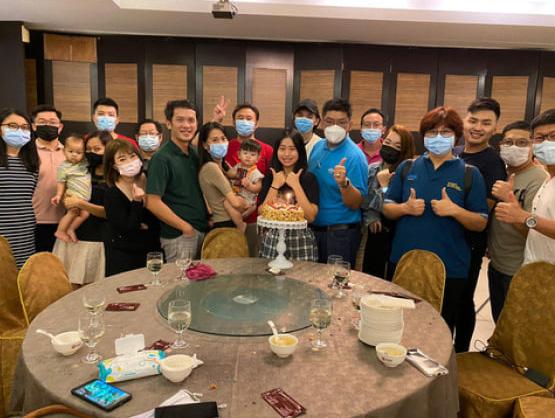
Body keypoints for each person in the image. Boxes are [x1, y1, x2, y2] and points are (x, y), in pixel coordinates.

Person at [383, 106, 488, 342]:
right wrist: (405, 208)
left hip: (449, 267)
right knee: (397, 326)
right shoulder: (408, 167)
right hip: (404, 262)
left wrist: (455, 211)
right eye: (432, 132)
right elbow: (387, 207)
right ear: (423, 136)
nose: (438, 137)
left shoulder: (470, 174)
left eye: (445, 132)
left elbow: (480, 222)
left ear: (456, 136)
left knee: (439, 333)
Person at [456, 97, 507, 352]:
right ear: (464, 121)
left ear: (495, 128)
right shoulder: (454, 153)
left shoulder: (493, 163)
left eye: (486, 123)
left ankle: (460, 353)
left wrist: (451, 207)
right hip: (444, 239)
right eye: (473, 120)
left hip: (470, 243)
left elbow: (483, 210)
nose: (477, 128)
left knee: (463, 299)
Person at [487, 121, 547, 322]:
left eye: (522, 143)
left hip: (519, 269)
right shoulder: (502, 174)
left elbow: (534, 231)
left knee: (515, 327)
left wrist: (508, 200)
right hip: (497, 263)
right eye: (508, 142)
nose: (514, 147)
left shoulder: (538, 178)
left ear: (532, 146)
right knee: (499, 321)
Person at [308, 98, 368, 266]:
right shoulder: (318, 147)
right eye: (329, 121)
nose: (335, 127)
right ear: (321, 123)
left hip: (340, 235)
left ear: (350, 125)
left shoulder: (355, 156)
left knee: (334, 280)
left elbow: (356, 203)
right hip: (314, 230)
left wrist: (344, 184)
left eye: (341, 123)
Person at [146, 100, 208, 262]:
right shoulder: (161, 158)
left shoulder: (194, 154)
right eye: (180, 120)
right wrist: (185, 228)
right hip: (180, 236)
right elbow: (152, 202)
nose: (186, 125)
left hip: (202, 231)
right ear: (168, 123)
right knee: (180, 278)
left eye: (191, 120)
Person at [495, 108, 555, 266]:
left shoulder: (539, 177)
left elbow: (526, 220)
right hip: (533, 267)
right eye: (540, 138)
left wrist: (525, 217)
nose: (547, 143)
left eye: (553, 136)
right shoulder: (548, 179)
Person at [53, 131, 111, 285]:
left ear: (109, 149)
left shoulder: (115, 176)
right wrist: (65, 198)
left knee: (93, 288)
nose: (92, 153)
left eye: (97, 149)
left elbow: (110, 213)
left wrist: (80, 203)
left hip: (97, 240)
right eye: (88, 149)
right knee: (67, 287)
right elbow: (66, 191)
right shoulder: (81, 169)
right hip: (72, 238)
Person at [359, 124, 415, 278]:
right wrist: (372, 217)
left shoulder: (409, 173)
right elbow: (365, 201)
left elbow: (398, 205)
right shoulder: (373, 169)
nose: (390, 148)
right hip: (375, 233)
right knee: (370, 274)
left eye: (397, 146)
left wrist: (384, 187)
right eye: (388, 143)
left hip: (397, 232)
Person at [259, 130, 319, 261]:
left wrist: (296, 185)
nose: (287, 154)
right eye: (282, 149)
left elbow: (310, 217)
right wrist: (275, 184)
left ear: (300, 151)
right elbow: (262, 212)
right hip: (273, 237)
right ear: (276, 151)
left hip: (301, 239)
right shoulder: (271, 176)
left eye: (292, 149)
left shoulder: (309, 178)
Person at [103, 139, 160, 276]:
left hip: (153, 251)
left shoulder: (150, 179)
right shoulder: (111, 193)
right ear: (113, 165)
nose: (130, 162)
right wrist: (136, 202)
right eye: (122, 159)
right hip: (125, 257)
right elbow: (128, 228)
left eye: (133, 156)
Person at [223, 103, 274, 255]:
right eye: (240, 118)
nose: (244, 121)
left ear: (257, 123)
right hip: (227, 216)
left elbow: (270, 184)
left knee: (254, 259)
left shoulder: (268, 150)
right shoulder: (224, 146)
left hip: (256, 218)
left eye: (249, 118)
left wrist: (256, 206)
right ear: (233, 123)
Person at [0, 109, 39, 268]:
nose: (19, 131)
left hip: (24, 230)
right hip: (2, 229)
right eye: (12, 126)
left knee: (22, 273)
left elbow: (27, 197)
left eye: (24, 127)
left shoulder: (32, 163)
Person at [197, 121, 248, 230]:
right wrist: (244, 202)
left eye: (223, 139)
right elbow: (235, 203)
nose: (220, 143)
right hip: (224, 224)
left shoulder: (224, 167)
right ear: (205, 145)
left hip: (230, 221)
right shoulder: (211, 167)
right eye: (215, 140)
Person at [31, 104, 65, 252]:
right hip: (34, 222)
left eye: (52, 122)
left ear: (60, 127)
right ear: (33, 126)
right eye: (42, 122)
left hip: (66, 221)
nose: (47, 125)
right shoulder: (26, 152)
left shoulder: (71, 153)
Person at [51, 136, 91, 243]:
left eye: (79, 152)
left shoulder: (84, 163)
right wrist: (58, 195)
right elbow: (61, 182)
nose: (74, 154)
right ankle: (60, 231)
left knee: (85, 214)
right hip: (72, 196)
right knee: (73, 212)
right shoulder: (63, 167)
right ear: (64, 151)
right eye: (71, 151)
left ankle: (70, 228)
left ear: (83, 153)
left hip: (83, 198)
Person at [226, 140, 264, 228]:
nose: (248, 156)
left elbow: (258, 188)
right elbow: (229, 174)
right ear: (239, 154)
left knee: (228, 202)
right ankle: (238, 220)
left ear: (258, 158)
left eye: (252, 155)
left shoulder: (256, 173)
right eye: (245, 153)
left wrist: (250, 186)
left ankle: (241, 225)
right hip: (235, 194)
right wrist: (233, 174)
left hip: (246, 199)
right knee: (228, 202)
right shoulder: (237, 166)